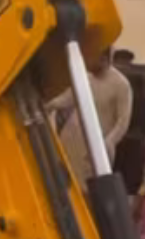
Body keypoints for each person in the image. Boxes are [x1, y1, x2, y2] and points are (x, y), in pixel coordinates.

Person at [47, 48, 134, 189]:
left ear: (105, 59)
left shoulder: (121, 85)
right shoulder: (85, 77)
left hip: (96, 148)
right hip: (71, 141)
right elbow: (68, 97)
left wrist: (109, 142)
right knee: (64, 185)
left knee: (89, 190)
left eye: (92, 59)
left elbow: (123, 121)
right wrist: (50, 105)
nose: (88, 62)